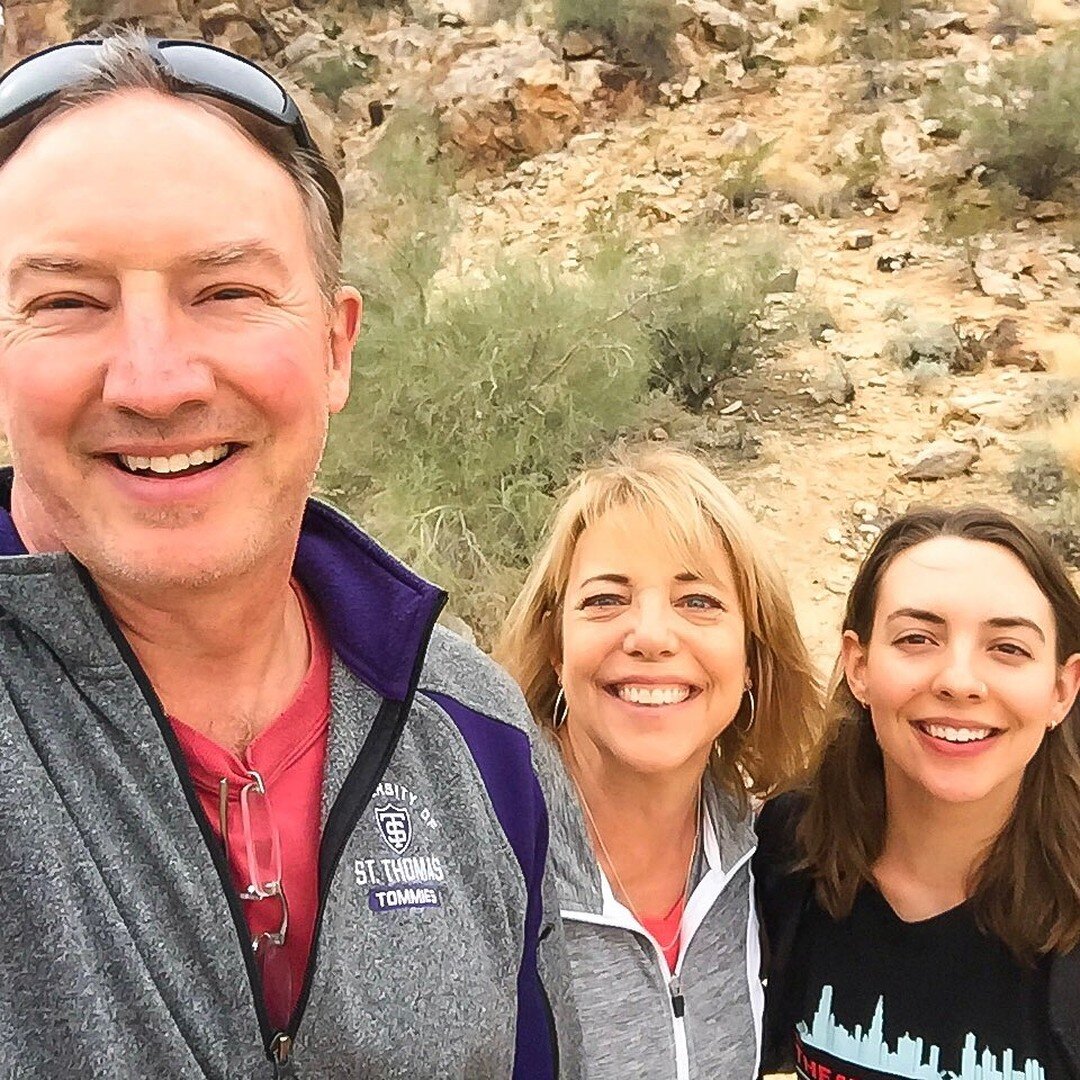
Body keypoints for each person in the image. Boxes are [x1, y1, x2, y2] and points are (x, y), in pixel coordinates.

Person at [0, 30, 579, 1079]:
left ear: (336, 347)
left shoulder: (482, 737)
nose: (153, 381)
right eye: (66, 302)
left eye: (225, 292)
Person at [496, 446, 824, 1079]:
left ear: (751, 658)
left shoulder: (768, 862)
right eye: (604, 600)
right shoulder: (485, 853)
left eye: (698, 601)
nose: (650, 635)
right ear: (557, 651)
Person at [756, 507, 1080, 1080]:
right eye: (917, 638)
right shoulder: (789, 855)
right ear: (858, 667)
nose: (958, 680)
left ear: (1061, 688)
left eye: (1008, 648)